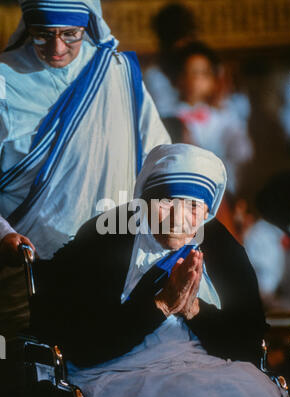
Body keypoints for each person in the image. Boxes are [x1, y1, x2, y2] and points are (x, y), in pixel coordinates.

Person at [30, 144, 290, 397]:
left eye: (195, 206)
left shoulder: (220, 245)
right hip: (121, 372)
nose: (180, 218)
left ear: (208, 212)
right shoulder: (105, 235)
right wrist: (159, 304)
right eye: (169, 201)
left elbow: (248, 343)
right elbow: (79, 345)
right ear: (144, 202)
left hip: (209, 367)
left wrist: (192, 309)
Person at [0, 0, 170, 339]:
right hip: (25, 259)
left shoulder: (115, 72)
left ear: (89, 25)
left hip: (112, 255)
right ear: (27, 27)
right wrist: (2, 235)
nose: (57, 47)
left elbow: (159, 157)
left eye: (70, 34)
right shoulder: (4, 79)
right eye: (42, 35)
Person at [173, 41, 253, 195]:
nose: (198, 80)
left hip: (224, 185)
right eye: (193, 72)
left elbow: (243, 152)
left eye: (204, 73)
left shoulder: (224, 116)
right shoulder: (172, 114)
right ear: (180, 78)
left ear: (213, 80)